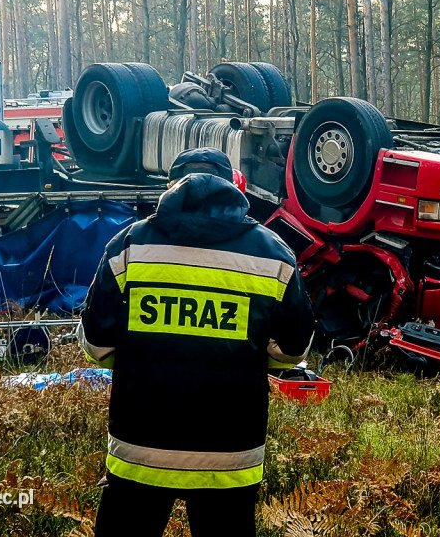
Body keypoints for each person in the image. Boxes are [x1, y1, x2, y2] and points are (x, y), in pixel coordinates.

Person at [80, 147, 315, 536]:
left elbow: (96, 345)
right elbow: (293, 350)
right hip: (230, 456)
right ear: (233, 185)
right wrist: (246, 354)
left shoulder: (129, 247)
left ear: (169, 187)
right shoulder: (274, 256)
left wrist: (144, 350)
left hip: (139, 451)